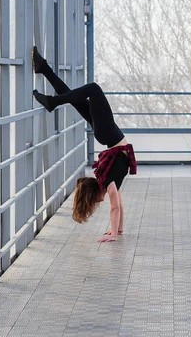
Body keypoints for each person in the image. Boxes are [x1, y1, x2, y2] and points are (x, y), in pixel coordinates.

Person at [31, 46, 136, 243]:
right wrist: (117, 231)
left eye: (94, 204)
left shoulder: (108, 184)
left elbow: (115, 207)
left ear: (94, 194)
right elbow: (118, 207)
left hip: (109, 135)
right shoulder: (110, 184)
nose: (98, 205)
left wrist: (114, 233)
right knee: (78, 96)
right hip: (108, 136)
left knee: (92, 90)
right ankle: (44, 69)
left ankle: (52, 100)